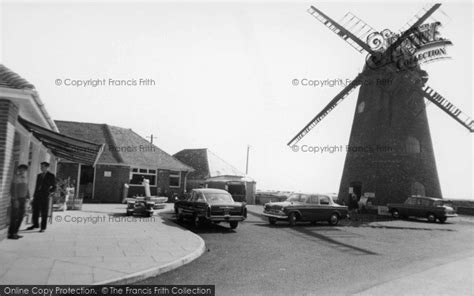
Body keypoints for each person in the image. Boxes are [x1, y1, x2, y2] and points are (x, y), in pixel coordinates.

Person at [26, 161, 56, 232]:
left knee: (44, 212)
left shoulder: (51, 175)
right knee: (35, 211)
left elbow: (54, 187)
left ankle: (43, 227)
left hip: (45, 196)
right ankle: (35, 224)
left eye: (43, 167)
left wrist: (48, 192)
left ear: (46, 167)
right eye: (41, 167)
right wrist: (33, 196)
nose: (41, 168)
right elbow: (36, 187)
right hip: (37, 196)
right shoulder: (39, 176)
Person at [8, 164, 30, 239]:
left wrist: (28, 196)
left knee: (21, 216)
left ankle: (15, 232)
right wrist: (15, 200)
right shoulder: (16, 178)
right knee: (14, 216)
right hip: (16, 199)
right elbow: (13, 190)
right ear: (19, 170)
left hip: (23, 199)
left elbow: (27, 188)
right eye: (21, 169)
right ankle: (11, 233)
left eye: (24, 169)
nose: (22, 171)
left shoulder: (26, 178)